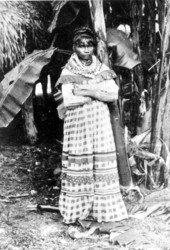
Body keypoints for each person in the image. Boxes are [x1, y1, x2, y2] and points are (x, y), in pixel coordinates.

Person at [56, 26, 128, 224]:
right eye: (81, 45)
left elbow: (112, 95)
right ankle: (79, 211)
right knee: (81, 163)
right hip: (78, 125)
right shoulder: (69, 71)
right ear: (74, 47)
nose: (86, 49)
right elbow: (69, 101)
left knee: (100, 164)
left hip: (100, 125)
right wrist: (98, 93)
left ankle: (102, 211)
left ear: (94, 47)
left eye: (89, 45)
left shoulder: (102, 69)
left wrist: (87, 91)